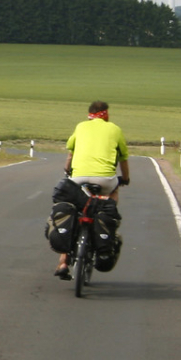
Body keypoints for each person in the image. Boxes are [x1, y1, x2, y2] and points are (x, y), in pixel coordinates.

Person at [57, 100, 130, 280]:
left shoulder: (80, 127)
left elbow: (71, 153)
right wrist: (125, 179)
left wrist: (68, 170)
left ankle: (63, 262)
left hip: (78, 178)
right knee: (113, 192)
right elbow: (123, 158)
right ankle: (108, 221)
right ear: (106, 114)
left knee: (74, 209)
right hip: (104, 179)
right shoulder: (115, 129)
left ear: (89, 114)